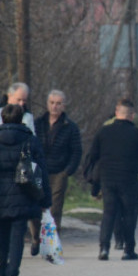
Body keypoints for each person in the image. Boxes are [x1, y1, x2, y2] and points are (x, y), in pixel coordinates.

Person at [0, 102, 51, 276]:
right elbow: (41, 171)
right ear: (22, 119)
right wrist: (45, 200)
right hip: (23, 195)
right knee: (17, 240)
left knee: (1, 239)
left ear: (2, 118)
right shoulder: (30, 140)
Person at [85, 99, 138, 260]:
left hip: (108, 178)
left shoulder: (104, 132)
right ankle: (128, 249)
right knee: (130, 214)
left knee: (109, 213)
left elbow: (93, 155)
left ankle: (104, 248)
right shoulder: (137, 134)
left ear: (116, 113)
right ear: (132, 115)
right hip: (129, 178)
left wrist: (92, 178)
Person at [0, 82, 34, 256]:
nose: (21, 104)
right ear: (9, 96)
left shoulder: (27, 115)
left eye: (24, 100)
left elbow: (32, 138)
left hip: (19, 164)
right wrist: (4, 141)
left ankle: (13, 242)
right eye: (19, 99)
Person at [30, 90, 82, 256]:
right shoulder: (37, 123)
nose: (55, 106)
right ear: (47, 104)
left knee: (54, 209)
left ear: (63, 105)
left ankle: (52, 244)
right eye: (52, 102)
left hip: (59, 172)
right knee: (35, 207)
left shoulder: (70, 126)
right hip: (38, 170)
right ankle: (36, 238)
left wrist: (68, 171)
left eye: (58, 103)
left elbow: (76, 151)